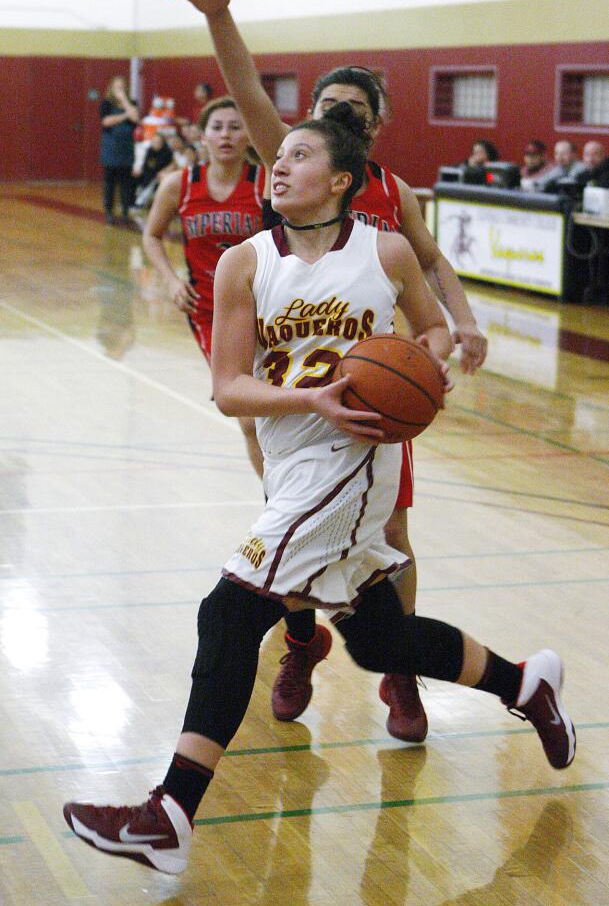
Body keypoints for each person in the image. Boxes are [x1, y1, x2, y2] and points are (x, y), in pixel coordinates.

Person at [63, 106, 576, 877]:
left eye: (299, 156)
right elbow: (230, 388)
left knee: (228, 608)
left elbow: (431, 333)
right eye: (281, 156)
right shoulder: (243, 262)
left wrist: (425, 368)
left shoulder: (386, 250)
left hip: (355, 458)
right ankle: (525, 683)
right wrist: (311, 399)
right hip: (294, 459)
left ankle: (170, 811)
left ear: (340, 180)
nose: (279, 166)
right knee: (378, 640)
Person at [165, 0, 489, 743]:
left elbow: (431, 260)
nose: (332, 118)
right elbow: (245, 91)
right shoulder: (298, 164)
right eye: (323, 108)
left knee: (392, 543)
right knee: (297, 534)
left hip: (370, 399)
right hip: (291, 395)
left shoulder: (391, 192)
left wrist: (458, 324)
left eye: (349, 110)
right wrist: (219, 19)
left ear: (371, 127)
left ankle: (400, 674)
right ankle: (305, 643)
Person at [142, 95, 265, 473]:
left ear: (249, 135)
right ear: (201, 135)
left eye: (235, 126)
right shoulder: (179, 185)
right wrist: (171, 280)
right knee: (248, 414)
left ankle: (291, 498)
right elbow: (152, 236)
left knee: (275, 410)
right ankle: (274, 501)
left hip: (265, 307)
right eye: (217, 127)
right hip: (209, 311)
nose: (226, 135)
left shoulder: (266, 183)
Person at [100, 76, 139, 224]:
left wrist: (125, 102)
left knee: (126, 182)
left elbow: (135, 118)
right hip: (111, 147)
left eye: (122, 87)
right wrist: (124, 115)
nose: (120, 90)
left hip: (126, 147)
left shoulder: (132, 103)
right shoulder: (106, 104)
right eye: (117, 87)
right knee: (109, 182)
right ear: (111, 88)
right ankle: (109, 210)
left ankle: (125, 210)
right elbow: (106, 121)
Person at [132, 132, 175, 210]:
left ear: (162, 143)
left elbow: (171, 165)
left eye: (158, 142)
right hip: (148, 173)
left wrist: (163, 172)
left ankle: (140, 203)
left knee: (153, 182)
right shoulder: (149, 150)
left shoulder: (167, 152)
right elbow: (146, 164)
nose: (156, 144)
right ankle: (133, 201)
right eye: (154, 142)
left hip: (160, 176)